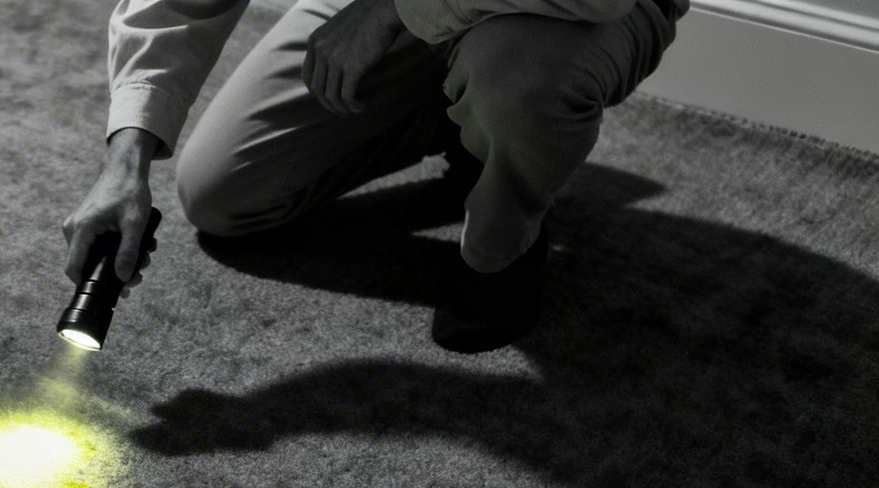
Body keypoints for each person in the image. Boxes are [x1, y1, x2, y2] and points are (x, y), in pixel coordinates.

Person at [63, 0, 685, 353]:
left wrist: (388, 10)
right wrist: (127, 160)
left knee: (517, 81)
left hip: (572, 12)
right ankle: (459, 118)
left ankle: (506, 235)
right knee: (225, 194)